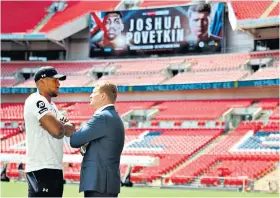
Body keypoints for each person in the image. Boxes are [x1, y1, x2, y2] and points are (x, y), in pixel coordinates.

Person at [24, 66, 76, 197]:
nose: (58, 84)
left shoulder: (52, 106)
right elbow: (58, 130)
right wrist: (60, 125)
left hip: (54, 168)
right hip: (41, 169)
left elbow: (71, 129)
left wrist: (59, 125)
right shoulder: (36, 100)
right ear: (42, 81)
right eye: (55, 80)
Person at [70, 81, 125, 197]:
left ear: (103, 95)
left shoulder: (101, 117)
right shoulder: (114, 117)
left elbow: (74, 140)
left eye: (93, 92)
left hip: (99, 183)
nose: (90, 95)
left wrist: (67, 128)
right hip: (107, 183)